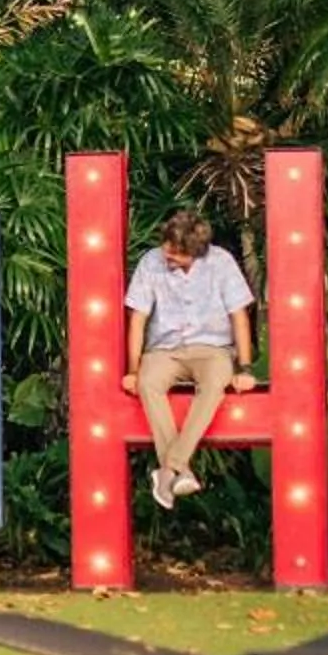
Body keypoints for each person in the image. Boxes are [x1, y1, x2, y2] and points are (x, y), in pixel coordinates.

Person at [121, 209, 258, 510]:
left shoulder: (220, 262)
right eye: (166, 248)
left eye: (176, 254)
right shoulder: (151, 262)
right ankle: (179, 470)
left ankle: (169, 469)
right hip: (165, 349)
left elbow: (239, 316)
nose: (167, 256)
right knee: (147, 382)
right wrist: (132, 370)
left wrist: (245, 368)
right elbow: (138, 320)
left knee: (214, 383)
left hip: (213, 349)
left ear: (194, 252)